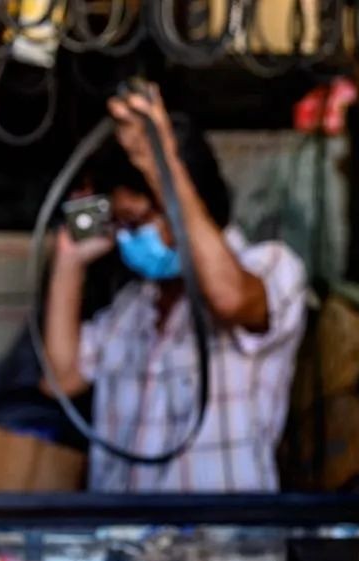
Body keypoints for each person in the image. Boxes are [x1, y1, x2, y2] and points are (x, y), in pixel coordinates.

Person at [42, 83, 308, 492]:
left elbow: (229, 298)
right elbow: (62, 377)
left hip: (221, 546)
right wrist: (68, 260)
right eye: (124, 225)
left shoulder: (272, 268)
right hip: (127, 543)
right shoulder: (133, 306)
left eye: (141, 221)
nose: (132, 236)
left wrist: (160, 163)